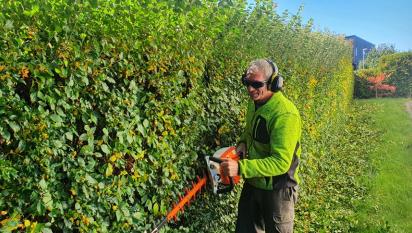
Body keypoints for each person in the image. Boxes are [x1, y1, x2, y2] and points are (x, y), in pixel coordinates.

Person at [221, 59, 302, 233]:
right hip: (254, 181)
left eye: (257, 84)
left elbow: (281, 162)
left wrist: (241, 168)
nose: (250, 89)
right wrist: (243, 142)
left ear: (274, 83)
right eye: (247, 83)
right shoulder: (255, 102)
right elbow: (249, 130)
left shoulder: (285, 114)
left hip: (278, 188)